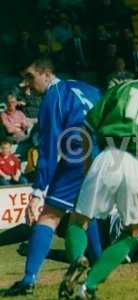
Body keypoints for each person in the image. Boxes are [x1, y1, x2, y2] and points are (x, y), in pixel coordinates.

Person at [58, 49, 138, 299]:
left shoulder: (119, 88)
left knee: (78, 220)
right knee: (133, 231)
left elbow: (85, 127)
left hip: (109, 156)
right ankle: (88, 287)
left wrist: (86, 163)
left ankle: (77, 260)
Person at [5, 57, 103, 296]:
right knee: (85, 213)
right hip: (101, 156)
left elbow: (49, 147)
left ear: (47, 74)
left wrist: (38, 191)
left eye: (30, 77)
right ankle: (99, 264)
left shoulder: (53, 97)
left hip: (78, 156)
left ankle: (28, 280)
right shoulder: (88, 88)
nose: (25, 84)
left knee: (49, 216)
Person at [10, 193, 138, 265]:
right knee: (87, 258)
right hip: (110, 243)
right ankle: (41, 252)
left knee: (48, 220)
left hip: (105, 217)